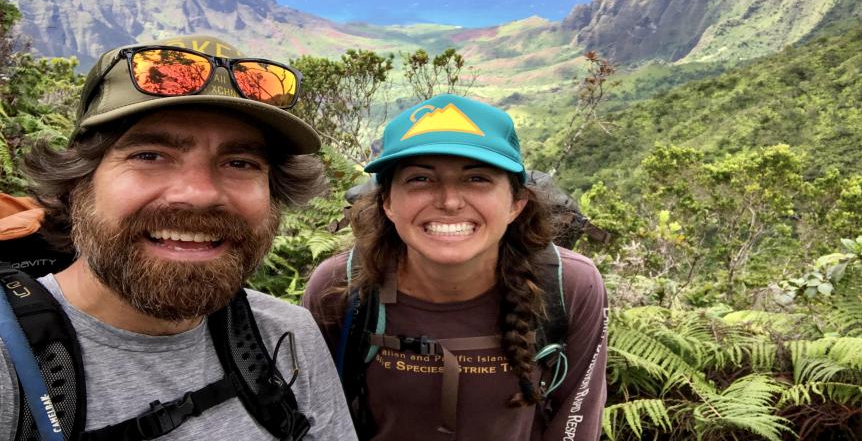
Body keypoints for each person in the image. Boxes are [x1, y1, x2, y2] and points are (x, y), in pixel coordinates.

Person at [0, 35, 357, 440]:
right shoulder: (9, 358)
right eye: (149, 155)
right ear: (78, 182)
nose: (200, 193)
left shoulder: (286, 336)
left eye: (239, 162)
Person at [303, 94, 608, 440]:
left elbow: (574, 426)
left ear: (516, 203)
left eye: (477, 179)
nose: (449, 201)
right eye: (420, 179)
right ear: (387, 202)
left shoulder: (569, 285)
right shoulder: (340, 288)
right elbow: (318, 424)